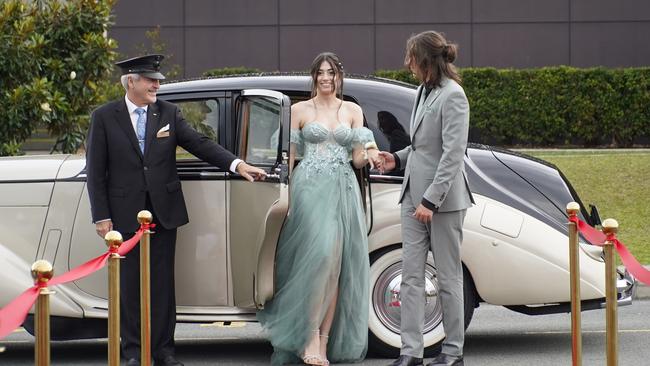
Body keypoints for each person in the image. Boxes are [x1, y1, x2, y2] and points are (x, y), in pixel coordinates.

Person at [85, 54, 266, 366]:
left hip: (163, 213)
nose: (157, 84)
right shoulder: (104, 116)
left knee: (162, 285)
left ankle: (164, 351)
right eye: (151, 79)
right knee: (129, 287)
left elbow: (200, 143)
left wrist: (238, 164)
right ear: (131, 81)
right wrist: (102, 216)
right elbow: (95, 170)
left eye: (158, 79)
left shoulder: (168, 112)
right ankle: (132, 353)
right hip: (124, 215)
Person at [257, 52, 381, 366]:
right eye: (320, 73)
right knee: (318, 260)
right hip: (309, 190)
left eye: (331, 73)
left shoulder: (352, 110)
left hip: (342, 190)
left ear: (339, 76)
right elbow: (290, 156)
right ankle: (308, 337)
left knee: (336, 268)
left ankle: (323, 342)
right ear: (314, 77)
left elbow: (357, 158)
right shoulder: (299, 109)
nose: (326, 78)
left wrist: (369, 154)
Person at [378, 31, 474, 366]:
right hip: (410, 198)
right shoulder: (422, 91)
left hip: (443, 203)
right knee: (411, 278)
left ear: (426, 60)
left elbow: (452, 155)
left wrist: (430, 201)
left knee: (448, 279)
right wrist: (397, 159)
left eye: (411, 57)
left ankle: (453, 352)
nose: (407, 64)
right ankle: (410, 352)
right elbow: (422, 148)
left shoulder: (454, 96)